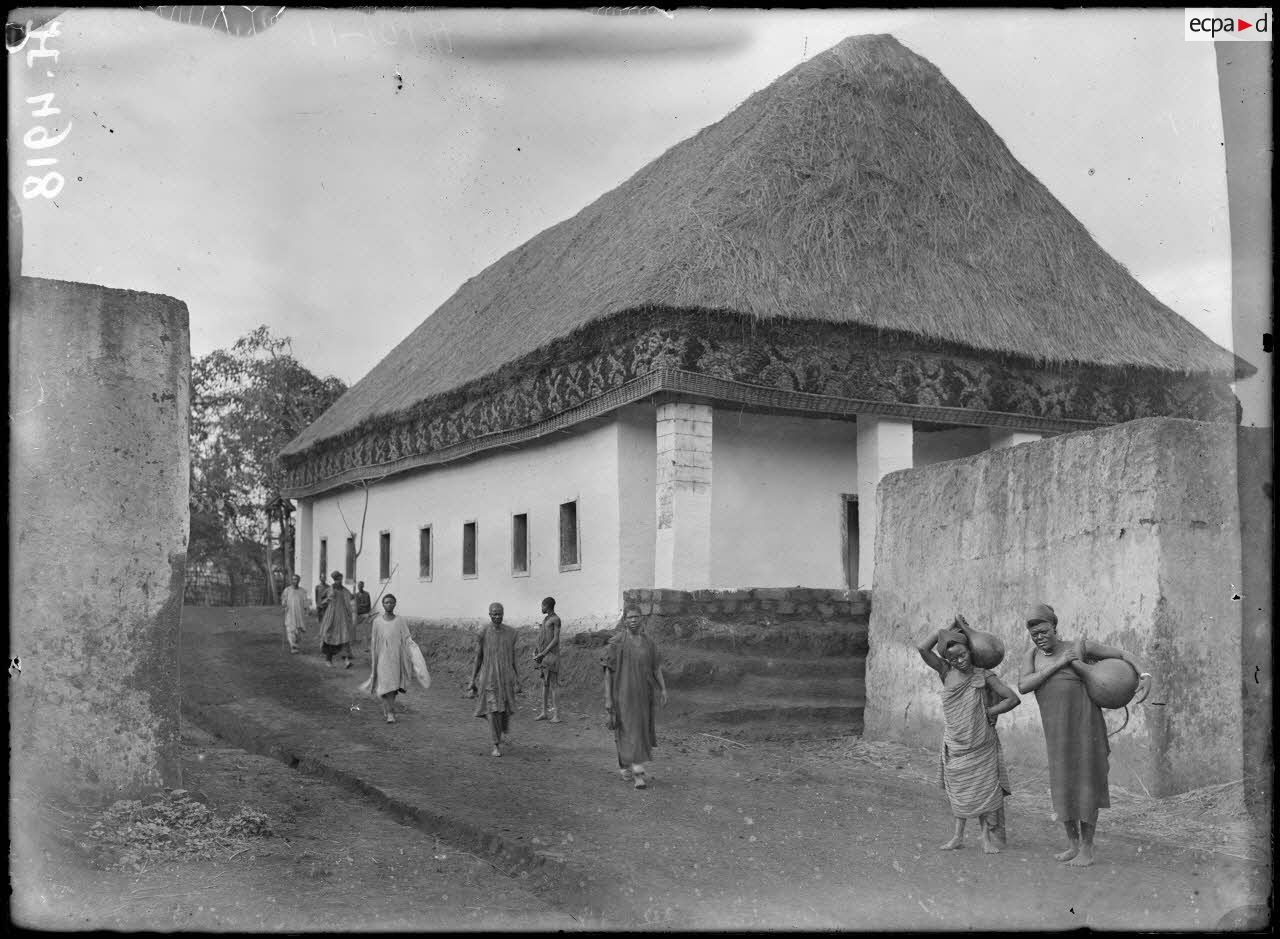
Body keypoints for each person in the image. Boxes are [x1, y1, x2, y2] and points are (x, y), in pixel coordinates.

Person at [1018, 602, 1142, 867]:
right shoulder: (1032, 656)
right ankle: (1073, 846)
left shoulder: (1079, 647)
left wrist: (1144, 674)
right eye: (1034, 634)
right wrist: (1058, 665)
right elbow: (1023, 685)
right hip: (1056, 732)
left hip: (1085, 726)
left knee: (1086, 785)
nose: (1039, 638)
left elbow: (1123, 654)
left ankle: (1087, 849)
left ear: (1055, 627)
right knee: (1062, 787)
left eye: (1044, 631)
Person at [917, 622, 1019, 853]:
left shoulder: (984, 676)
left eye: (962, 655)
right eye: (953, 659)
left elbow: (1012, 698)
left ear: (970, 651)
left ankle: (985, 839)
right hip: (956, 743)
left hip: (980, 742)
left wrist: (991, 712)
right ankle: (957, 837)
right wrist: (947, 630)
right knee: (960, 791)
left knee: (983, 789)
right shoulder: (946, 673)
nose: (959, 661)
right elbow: (923, 650)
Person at [601, 616, 668, 790]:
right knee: (626, 730)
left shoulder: (649, 643)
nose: (633, 620)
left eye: (636, 617)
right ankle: (636, 771)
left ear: (641, 620)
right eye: (629, 617)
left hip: (644, 696)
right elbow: (608, 672)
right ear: (625, 621)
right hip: (622, 695)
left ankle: (630, 766)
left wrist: (663, 689)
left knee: (639, 730)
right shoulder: (616, 643)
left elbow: (656, 668)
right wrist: (608, 699)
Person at [467, 602, 520, 757]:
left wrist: (518, 678)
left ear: (503, 613)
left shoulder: (511, 633)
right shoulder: (483, 632)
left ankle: (501, 731)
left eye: (500, 613)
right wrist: (472, 680)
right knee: (492, 710)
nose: (498, 616)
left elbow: (513, 658)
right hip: (488, 677)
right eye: (494, 614)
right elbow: (478, 657)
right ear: (489, 614)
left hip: (505, 678)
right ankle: (495, 744)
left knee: (504, 710)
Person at [360, 594, 414, 723]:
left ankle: (389, 711)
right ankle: (389, 710)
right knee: (384, 685)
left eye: (391, 602)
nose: (389, 604)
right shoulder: (377, 621)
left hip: (396, 657)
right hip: (382, 657)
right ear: (383, 605)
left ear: (395, 604)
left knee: (393, 686)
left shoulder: (400, 621)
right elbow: (374, 640)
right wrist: (374, 655)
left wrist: (411, 651)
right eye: (386, 602)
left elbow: (406, 637)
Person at [533, 597, 562, 723]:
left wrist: (544, 652)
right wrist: (537, 650)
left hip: (552, 656)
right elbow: (541, 636)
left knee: (554, 685)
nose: (541, 608)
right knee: (545, 684)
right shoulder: (545, 619)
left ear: (547, 606)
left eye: (542, 606)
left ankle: (556, 715)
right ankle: (544, 712)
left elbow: (556, 639)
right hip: (543, 657)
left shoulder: (556, 619)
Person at [319, 571, 355, 668]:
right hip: (331, 616)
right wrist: (327, 600)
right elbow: (321, 602)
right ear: (334, 580)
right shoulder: (329, 590)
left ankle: (346, 661)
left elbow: (350, 599)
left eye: (340, 579)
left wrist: (353, 598)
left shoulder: (345, 590)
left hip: (342, 617)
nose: (339, 581)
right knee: (331, 637)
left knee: (344, 637)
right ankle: (328, 659)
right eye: (337, 579)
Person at [280, 573, 309, 654]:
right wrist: (284, 604)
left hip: (300, 614)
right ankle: (293, 646)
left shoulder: (302, 591)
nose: (294, 581)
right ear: (291, 580)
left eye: (296, 579)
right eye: (293, 579)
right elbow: (283, 599)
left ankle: (296, 644)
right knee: (290, 629)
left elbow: (305, 601)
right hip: (290, 613)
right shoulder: (287, 590)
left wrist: (307, 609)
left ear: (299, 581)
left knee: (298, 631)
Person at [353, 580, 373, 647]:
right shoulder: (356, 595)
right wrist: (360, 606)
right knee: (355, 627)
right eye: (358, 586)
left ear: (363, 586)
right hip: (358, 614)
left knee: (365, 628)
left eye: (361, 585)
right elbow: (356, 605)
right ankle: (355, 641)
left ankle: (365, 643)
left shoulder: (367, 594)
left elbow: (368, 604)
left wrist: (368, 612)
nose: (360, 587)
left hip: (365, 613)